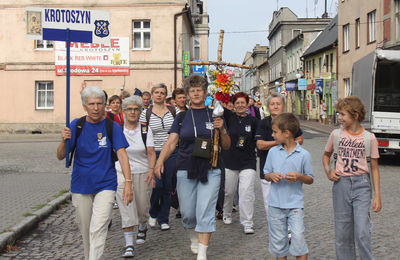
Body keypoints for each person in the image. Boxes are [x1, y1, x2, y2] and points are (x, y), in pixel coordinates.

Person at [154, 75, 231, 260]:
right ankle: (193, 237)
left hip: (211, 169)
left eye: (199, 90)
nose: (196, 93)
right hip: (185, 168)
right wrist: (159, 161)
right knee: (188, 213)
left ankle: (202, 254)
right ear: (188, 94)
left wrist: (221, 130)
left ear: (205, 93)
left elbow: (226, 145)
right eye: (192, 90)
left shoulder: (216, 114)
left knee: (205, 210)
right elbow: (172, 142)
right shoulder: (181, 117)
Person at [56, 86, 133, 260]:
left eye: (99, 103)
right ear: (85, 106)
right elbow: (61, 156)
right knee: (85, 229)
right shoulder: (77, 125)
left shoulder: (111, 126)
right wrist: (63, 140)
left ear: (105, 105)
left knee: (98, 227)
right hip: (80, 184)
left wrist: (128, 182)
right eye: (91, 104)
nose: (96, 108)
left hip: (105, 183)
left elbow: (122, 154)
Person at [322, 96, 381, 260]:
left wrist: (377, 195)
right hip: (341, 184)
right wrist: (329, 171)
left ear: (355, 116)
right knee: (342, 232)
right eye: (339, 114)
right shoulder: (336, 135)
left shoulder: (370, 138)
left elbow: (375, 168)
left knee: (362, 231)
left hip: (362, 184)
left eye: (342, 114)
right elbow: (326, 156)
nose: (339, 117)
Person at [264, 112, 314, 260]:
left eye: (275, 132)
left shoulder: (303, 154)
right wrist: (271, 176)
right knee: (279, 243)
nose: (272, 135)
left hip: (295, 204)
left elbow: (310, 179)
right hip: (275, 204)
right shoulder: (273, 152)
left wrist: (299, 177)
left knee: (298, 238)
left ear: (287, 133)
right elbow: (266, 173)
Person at [115, 96, 157, 257]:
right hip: (121, 172)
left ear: (140, 111)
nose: (132, 112)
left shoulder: (145, 130)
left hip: (142, 171)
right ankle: (129, 244)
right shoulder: (117, 130)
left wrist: (151, 170)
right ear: (123, 111)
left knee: (142, 207)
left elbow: (151, 152)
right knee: (126, 207)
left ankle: (142, 224)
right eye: (129, 109)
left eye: (136, 109)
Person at [255, 93, 304, 216]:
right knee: (268, 201)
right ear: (268, 106)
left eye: (278, 104)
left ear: (283, 105)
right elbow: (260, 144)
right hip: (268, 167)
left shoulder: (290, 121)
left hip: (289, 168)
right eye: (272, 104)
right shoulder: (263, 123)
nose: (275, 106)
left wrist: (275, 143)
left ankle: (288, 229)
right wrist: (280, 142)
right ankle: (274, 228)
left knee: (289, 199)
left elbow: (300, 140)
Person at [139, 83, 176, 231]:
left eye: (162, 92)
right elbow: (142, 134)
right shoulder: (145, 113)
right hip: (153, 152)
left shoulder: (173, 111)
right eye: (157, 92)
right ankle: (153, 212)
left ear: (166, 95)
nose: (159, 95)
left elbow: (177, 131)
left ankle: (164, 218)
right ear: (152, 94)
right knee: (157, 185)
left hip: (171, 153)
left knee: (167, 186)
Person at [221, 92, 258, 234]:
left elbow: (257, 139)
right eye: (237, 103)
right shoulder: (229, 118)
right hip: (230, 160)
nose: (240, 105)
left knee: (246, 192)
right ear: (233, 105)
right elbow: (219, 103)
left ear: (248, 103)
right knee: (229, 192)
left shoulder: (253, 121)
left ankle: (247, 222)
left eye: (243, 102)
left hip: (248, 161)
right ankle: (227, 212)